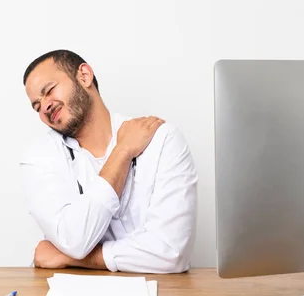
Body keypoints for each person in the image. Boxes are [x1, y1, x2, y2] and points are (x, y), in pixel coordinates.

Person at [20, 49, 198, 273]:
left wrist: (75, 258)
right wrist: (122, 152)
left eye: (49, 91)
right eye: (37, 106)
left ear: (84, 76)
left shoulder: (162, 139)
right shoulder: (39, 157)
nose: (44, 107)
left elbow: (171, 254)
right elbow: (76, 241)